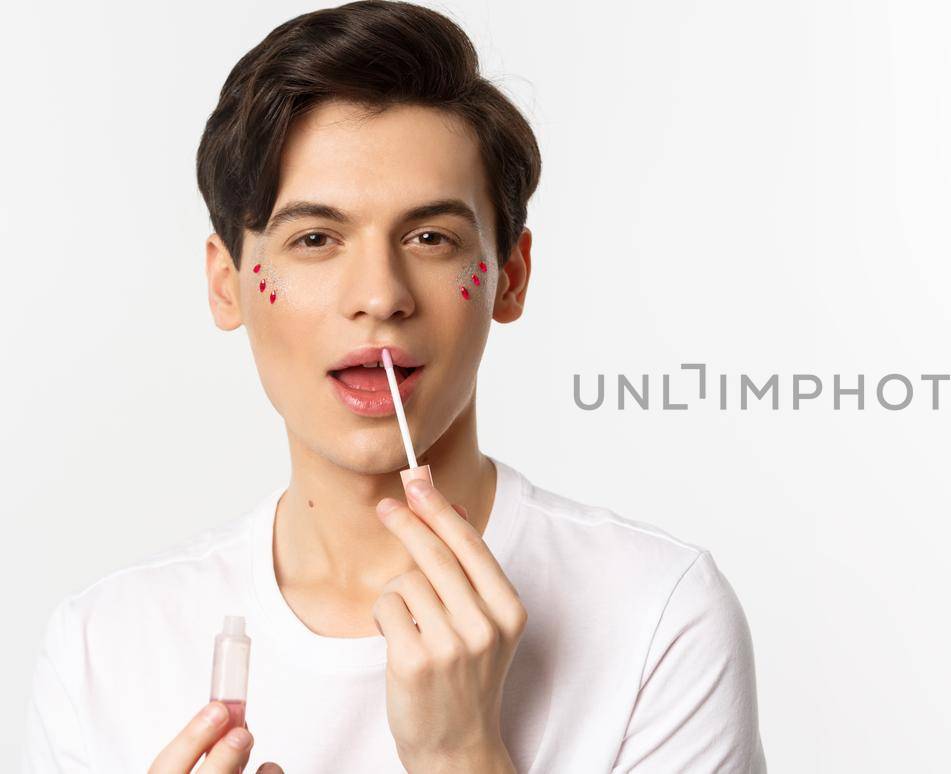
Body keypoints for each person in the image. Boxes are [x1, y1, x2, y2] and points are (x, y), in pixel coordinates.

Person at [20, 2, 766, 771]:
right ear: (227, 283)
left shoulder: (657, 614)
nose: (380, 295)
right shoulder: (103, 647)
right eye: (315, 239)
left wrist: (462, 751)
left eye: (430, 238)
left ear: (508, 279)